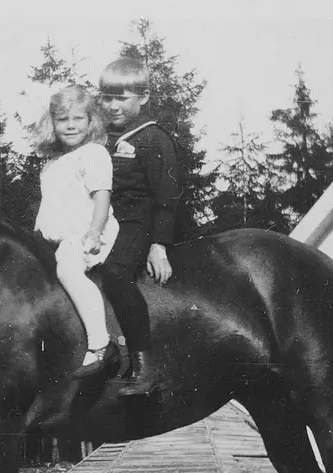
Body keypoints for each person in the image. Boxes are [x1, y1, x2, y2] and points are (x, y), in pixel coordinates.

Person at [97, 58, 183, 396]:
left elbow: (167, 195)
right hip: (107, 223)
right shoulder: (101, 138)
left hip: (138, 224)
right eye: (106, 97)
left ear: (143, 98)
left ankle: (145, 366)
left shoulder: (152, 138)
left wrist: (159, 243)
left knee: (116, 274)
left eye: (122, 97)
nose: (113, 105)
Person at [30, 84, 122, 379]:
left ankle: (100, 344)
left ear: (90, 121)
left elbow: (102, 197)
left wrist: (94, 232)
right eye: (62, 119)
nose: (70, 126)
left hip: (88, 233)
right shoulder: (53, 164)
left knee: (69, 270)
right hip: (56, 238)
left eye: (78, 119)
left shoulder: (93, 153)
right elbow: (50, 208)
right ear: (52, 123)